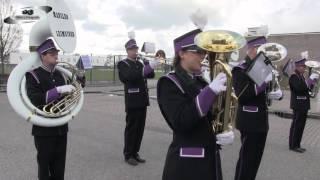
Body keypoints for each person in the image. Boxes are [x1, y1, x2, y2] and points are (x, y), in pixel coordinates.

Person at [157, 29, 234, 180]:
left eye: (204, 52)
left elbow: (210, 116)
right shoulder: (169, 83)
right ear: (182, 54)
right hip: (187, 166)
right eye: (198, 51)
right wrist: (209, 92)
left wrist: (223, 129)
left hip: (210, 159)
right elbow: (181, 121)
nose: (204, 56)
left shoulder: (200, 81)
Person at [232, 36, 283, 180]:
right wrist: (261, 85)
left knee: (255, 161)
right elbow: (241, 96)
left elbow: (266, 93)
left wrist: (276, 94)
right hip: (249, 121)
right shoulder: (240, 68)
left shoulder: (264, 67)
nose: (265, 54)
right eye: (262, 49)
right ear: (252, 49)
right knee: (247, 160)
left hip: (261, 121)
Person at [25, 39, 76, 180]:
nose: (56, 55)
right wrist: (58, 90)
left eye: (56, 52)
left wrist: (78, 83)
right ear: (43, 55)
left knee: (59, 167)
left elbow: (70, 94)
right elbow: (35, 99)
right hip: (43, 130)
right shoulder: (33, 75)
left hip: (61, 127)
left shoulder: (60, 75)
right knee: (44, 167)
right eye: (51, 53)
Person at [117, 36, 160, 166]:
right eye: (132, 49)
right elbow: (129, 77)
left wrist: (149, 64)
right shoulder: (123, 64)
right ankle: (128, 154)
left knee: (140, 129)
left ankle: (135, 152)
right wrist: (144, 68)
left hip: (142, 101)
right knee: (132, 128)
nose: (135, 51)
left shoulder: (140, 63)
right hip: (132, 101)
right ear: (127, 51)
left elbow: (151, 75)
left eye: (135, 48)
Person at [289, 58, 319, 153]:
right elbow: (299, 88)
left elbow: (305, 89)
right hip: (298, 105)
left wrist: (312, 84)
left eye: (304, 67)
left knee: (300, 125)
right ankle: (293, 145)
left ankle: (297, 144)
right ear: (297, 66)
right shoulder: (294, 77)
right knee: (297, 125)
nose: (304, 68)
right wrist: (309, 80)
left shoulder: (301, 76)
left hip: (303, 104)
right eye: (303, 66)